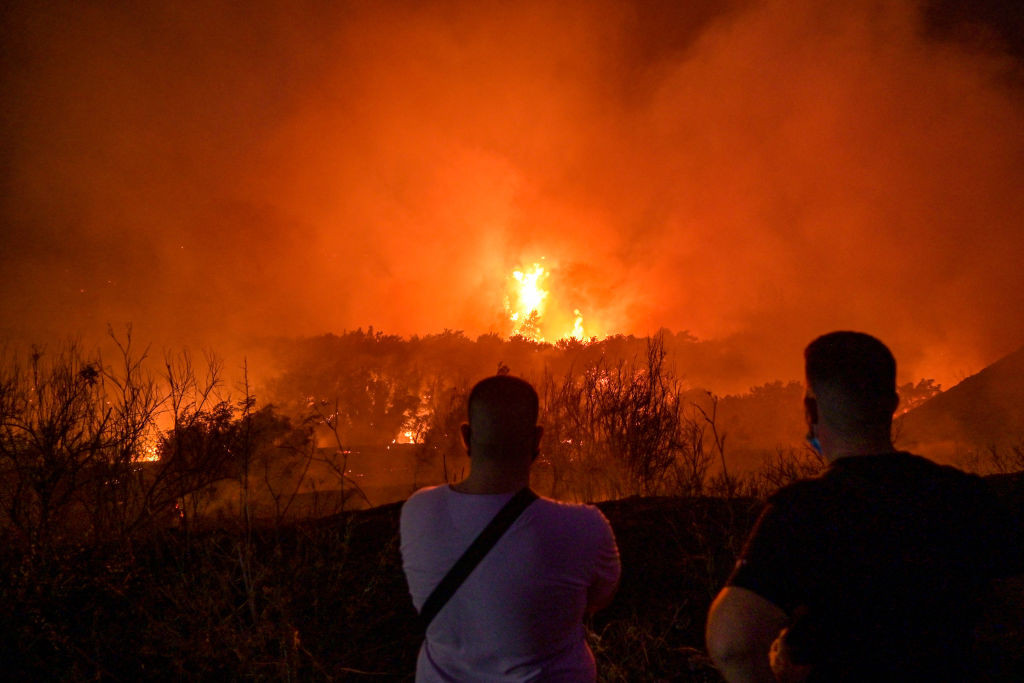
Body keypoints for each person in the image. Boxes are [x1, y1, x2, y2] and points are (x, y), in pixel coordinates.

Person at [705, 331, 1023, 682]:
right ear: (893, 403)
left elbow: (731, 644)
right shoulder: (965, 496)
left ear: (810, 410)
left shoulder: (803, 512)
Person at [400, 375, 621, 682]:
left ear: (466, 436)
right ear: (537, 439)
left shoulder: (418, 512)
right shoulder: (584, 527)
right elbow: (598, 601)